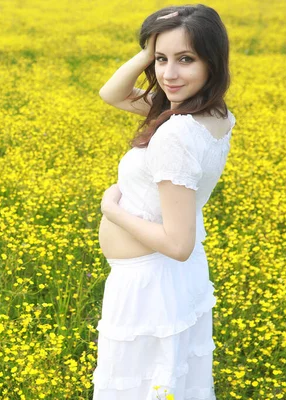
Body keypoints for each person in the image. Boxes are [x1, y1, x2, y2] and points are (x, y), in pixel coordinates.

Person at [93, 4, 234, 400]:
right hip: (170, 283)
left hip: (150, 286)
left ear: (213, 61)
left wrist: (112, 211)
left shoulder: (177, 133)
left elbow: (177, 244)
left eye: (185, 59)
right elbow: (111, 94)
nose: (168, 75)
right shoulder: (212, 113)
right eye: (161, 60)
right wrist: (150, 47)